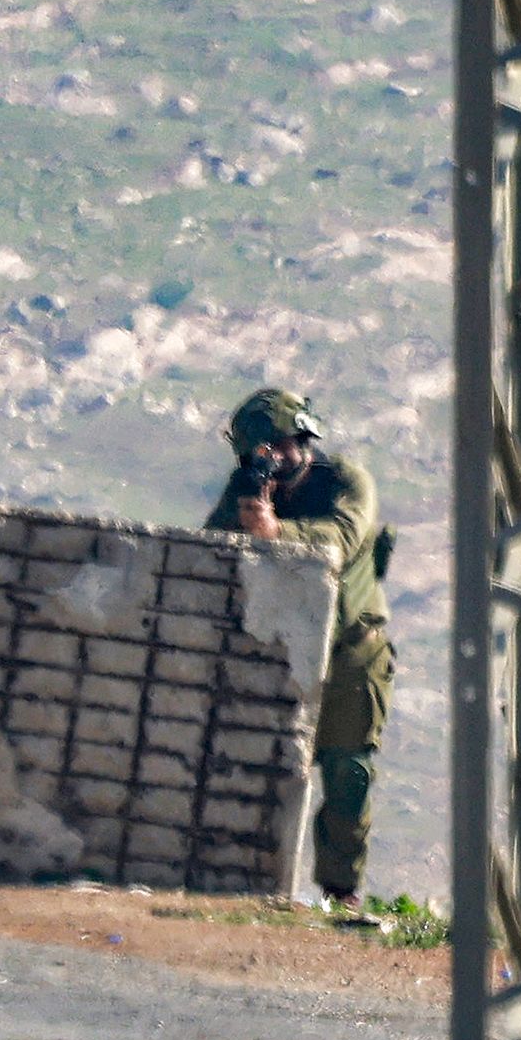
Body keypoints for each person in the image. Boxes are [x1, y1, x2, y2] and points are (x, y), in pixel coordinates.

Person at [205, 389, 394, 909]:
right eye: (262, 451)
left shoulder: (345, 481)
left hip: (352, 648)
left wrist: (276, 530)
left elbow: (343, 537)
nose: (275, 458)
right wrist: (245, 513)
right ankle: (247, 884)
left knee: (348, 771)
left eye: (282, 445)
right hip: (279, 648)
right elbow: (209, 553)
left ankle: (340, 890)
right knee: (256, 765)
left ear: (304, 439)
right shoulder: (247, 489)